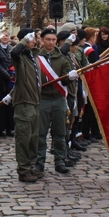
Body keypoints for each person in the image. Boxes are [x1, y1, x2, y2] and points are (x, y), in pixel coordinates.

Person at [1, 28, 41, 183]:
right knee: (24, 138)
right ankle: (23, 170)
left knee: (33, 138)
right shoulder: (20, 57)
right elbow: (14, 52)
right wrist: (24, 40)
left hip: (35, 101)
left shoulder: (32, 56)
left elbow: (24, 81)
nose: (34, 41)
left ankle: (30, 166)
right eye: (32, 38)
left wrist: (10, 95)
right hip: (24, 103)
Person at [35, 27, 76, 175]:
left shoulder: (62, 58)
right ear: (42, 40)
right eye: (48, 39)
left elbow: (66, 81)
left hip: (58, 99)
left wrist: (69, 77)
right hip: (43, 99)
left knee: (60, 132)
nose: (51, 42)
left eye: (53, 40)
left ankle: (60, 160)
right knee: (40, 133)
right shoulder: (35, 57)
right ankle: (39, 162)